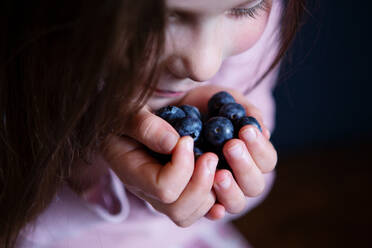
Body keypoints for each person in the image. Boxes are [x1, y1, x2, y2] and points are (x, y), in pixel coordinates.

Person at [0, 0, 305, 247]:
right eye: (157, 19)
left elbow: (256, 187)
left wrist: (224, 182)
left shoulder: (251, 41)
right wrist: (95, 159)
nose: (204, 66)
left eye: (243, 9)